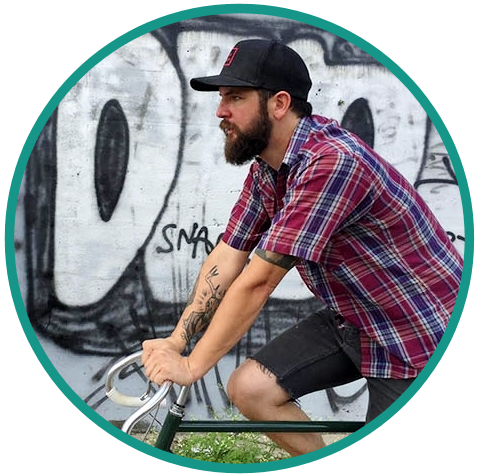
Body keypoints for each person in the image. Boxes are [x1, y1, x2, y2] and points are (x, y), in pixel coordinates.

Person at [142, 39, 463, 456]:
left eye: (235, 97)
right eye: (221, 98)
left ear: (279, 104)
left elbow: (258, 282)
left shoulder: (331, 163)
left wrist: (191, 366)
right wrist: (177, 341)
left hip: (419, 332)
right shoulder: (269, 169)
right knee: (251, 389)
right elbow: (229, 255)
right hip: (356, 317)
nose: (221, 111)